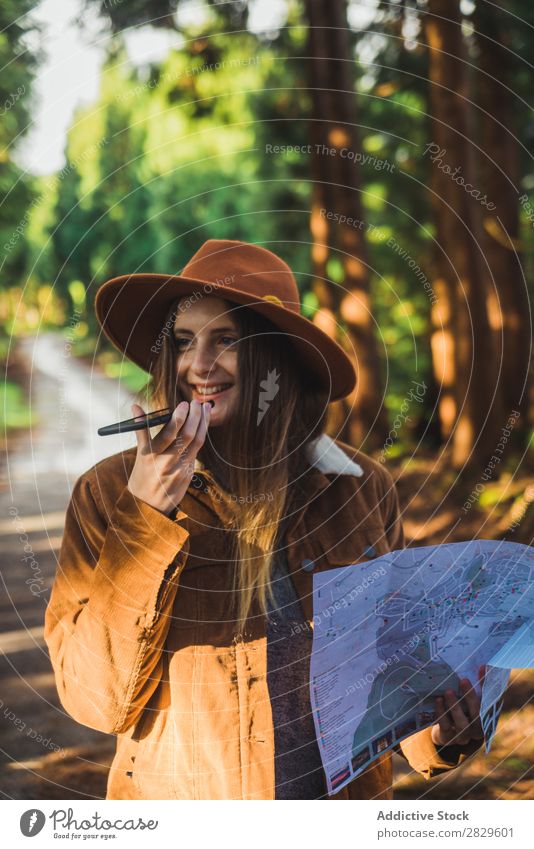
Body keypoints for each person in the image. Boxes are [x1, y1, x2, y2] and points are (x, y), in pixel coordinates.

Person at [44, 239, 484, 800]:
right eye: (183, 342)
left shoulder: (362, 488)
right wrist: (145, 520)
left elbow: (392, 668)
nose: (198, 366)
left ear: (279, 359)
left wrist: (440, 733)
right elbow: (93, 698)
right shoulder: (110, 494)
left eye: (226, 340)